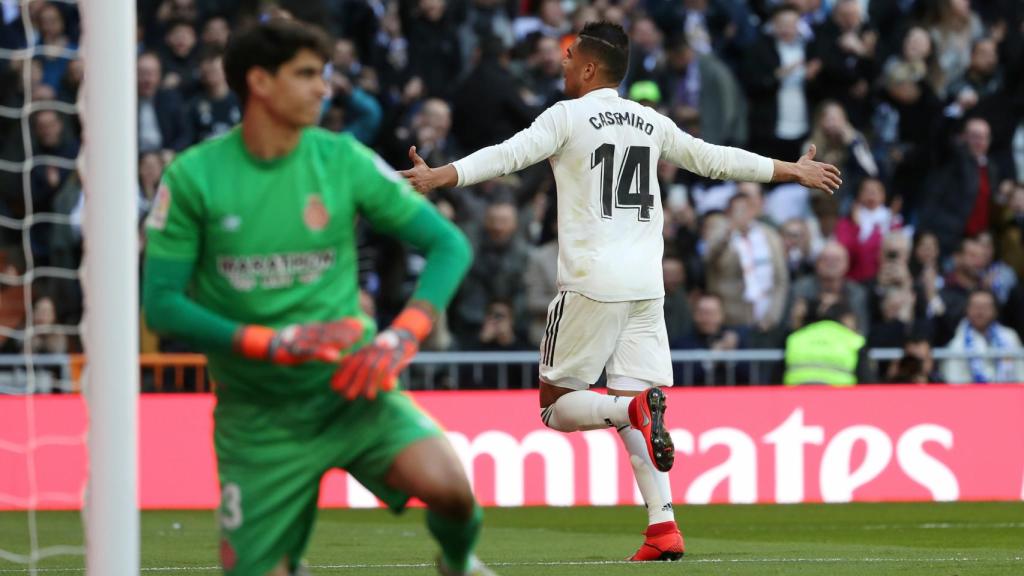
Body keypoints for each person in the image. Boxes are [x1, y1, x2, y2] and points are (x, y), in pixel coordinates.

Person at [398, 20, 841, 561]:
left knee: (558, 408)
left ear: (589, 68)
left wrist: (442, 175)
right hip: (646, 286)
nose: (562, 64)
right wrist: (789, 170)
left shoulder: (566, 116)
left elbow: (509, 154)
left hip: (591, 281)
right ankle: (663, 527)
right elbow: (714, 159)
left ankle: (632, 413)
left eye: (569, 57)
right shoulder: (649, 120)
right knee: (636, 405)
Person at [142, 20, 493, 576]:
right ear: (260, 82)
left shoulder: (343, 158)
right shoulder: (193, 178)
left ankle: (456, 562)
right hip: (258, 416)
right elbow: (161, 304)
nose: (323, 88)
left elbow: (448, 245)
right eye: (306, 74)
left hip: (350, 389)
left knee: (451, 489)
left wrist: (403, 335)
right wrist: (270, 342)